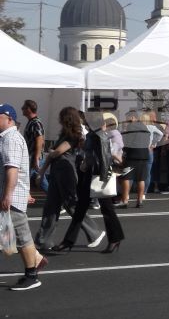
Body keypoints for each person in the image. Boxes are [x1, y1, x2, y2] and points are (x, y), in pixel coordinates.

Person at [51, 112, 124, 254]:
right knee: (82, 208)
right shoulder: (94, 135)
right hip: (92, 174)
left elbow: (104, 157)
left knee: (106, 209)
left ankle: (115, 239)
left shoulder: (99, 135)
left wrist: (100, 174)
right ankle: (69, 241)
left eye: (86, 122)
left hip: (97, 175)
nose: (84, 123)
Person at [35, 107, 103, 249]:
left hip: (66, 171)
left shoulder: (74, 134)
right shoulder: (65, 134)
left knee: (71, 204)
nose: (59, 119)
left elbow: (59, 151)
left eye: (61, 116)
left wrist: (51, 155)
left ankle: (94, 232)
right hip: (57, 170)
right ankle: (43, 240)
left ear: (66, 118)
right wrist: (42, 171)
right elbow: (54, 154)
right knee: (51, 206)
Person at [0, 104, 48, 290]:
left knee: (21, 237)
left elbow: (12, 169)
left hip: (11, 197)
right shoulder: (6, 138)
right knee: (8, 238)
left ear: (9, 118)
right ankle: (36, 259)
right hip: (11, 194)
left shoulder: (11, 138)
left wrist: (8, 195)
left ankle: (32, 276)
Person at [20, 99, 44, 189]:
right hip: (32, 157)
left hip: (33, 157)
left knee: (27, 180)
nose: (22, 109)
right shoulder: (32, 122)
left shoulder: (35, 122)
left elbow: (40, 139)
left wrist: (36, 158)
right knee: (41, 181)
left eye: (24, 107)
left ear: (29, 109)